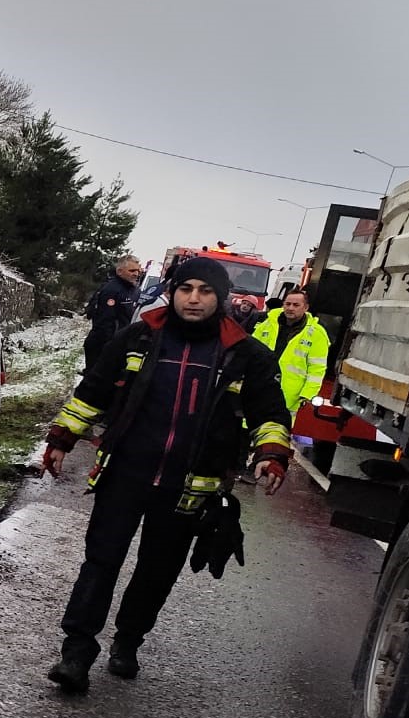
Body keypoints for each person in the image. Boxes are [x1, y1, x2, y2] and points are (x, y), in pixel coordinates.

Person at [41, 257, 293, 692]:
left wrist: (271, 453)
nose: (194, 298)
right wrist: (62, 438)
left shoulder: (246, 354)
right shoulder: (137, 337)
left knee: (157, 570)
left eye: (205, 291)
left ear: (221, 298)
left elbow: (269, 412)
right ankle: (76, 652)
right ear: (172, 291)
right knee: (100, 562)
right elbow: (93, 391)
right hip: (125, 474)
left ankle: (128, 641)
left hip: (189, 488)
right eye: (185, 288)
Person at [249, 286, 331, 420]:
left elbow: (317, 369)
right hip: (258, 388)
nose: (290, 308)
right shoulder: (267, 324)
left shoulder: (317, 334)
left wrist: (308, 394)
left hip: (288, 397)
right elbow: (249, 351)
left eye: (296, 305)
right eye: (287, 304)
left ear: (305, 308)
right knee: (247, 431)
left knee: (275, 436)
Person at [83, 254, 144, 371]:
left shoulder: (134, 290)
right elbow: (104, 322)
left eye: (138, 271)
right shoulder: (111, 290)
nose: (136, 274)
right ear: (120, 271)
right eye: (132, 270)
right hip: (104, 345)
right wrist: (112, 346)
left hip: (121, 344)